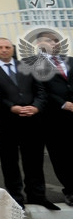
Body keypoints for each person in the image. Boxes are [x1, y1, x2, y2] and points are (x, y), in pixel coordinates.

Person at [0, 37, 53, 208]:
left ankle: (37, 195)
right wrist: (11, 107)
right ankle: (16, 197)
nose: (4, 50)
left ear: (13, 49)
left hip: (32, 121)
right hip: (7, 122)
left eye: (7, 47)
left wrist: (36, 107)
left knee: (34, 161)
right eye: (0, 47)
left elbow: (40, 90)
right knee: (10, 162)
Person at [27, 29, 73, 207]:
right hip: (53, 118)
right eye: (48, 41)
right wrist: (63, 103)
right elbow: (41, 90)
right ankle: (70, 190)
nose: (53, 44)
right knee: (61, 156)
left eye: (55, 41)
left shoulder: (70, 60)